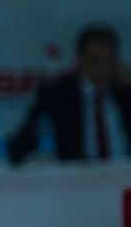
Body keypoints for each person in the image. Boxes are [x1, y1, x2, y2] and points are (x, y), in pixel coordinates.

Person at [8, 25, 131, 163]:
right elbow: (21, 142)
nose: (104, 68)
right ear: (80, 60)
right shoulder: (56, 96)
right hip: (77, 178)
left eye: (110, 60)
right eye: (95, 61)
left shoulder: (125, 93)